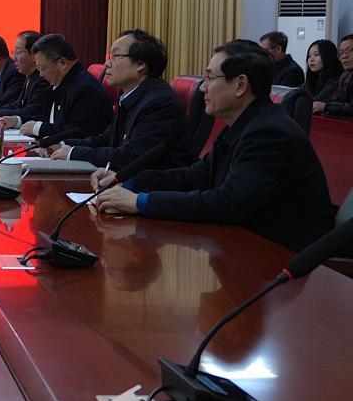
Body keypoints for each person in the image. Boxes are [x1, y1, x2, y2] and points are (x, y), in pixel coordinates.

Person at [93, 39, 335, 252]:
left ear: (240, 85)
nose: (202, 87)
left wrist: (138, 202)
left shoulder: (270, 134)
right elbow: (196, 176)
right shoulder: (242, 123)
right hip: (243, 246)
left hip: (282, 258)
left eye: (210, 78)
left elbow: (227, 203)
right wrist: (128, 182)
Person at [50, 29, 194, 170]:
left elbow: (131, 156)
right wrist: (62, 145)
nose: (107, 64)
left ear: (141, 65)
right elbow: (107, 140)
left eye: (115, 56)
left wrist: (74, 153)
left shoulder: (159, 103)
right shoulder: (130, 96)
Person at [19, 34, 113, 140]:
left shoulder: (85, 89)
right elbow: (48, 118)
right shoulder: (57, 84)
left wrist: (39, 128)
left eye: (43, 68)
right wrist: (20, 121)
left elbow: (80, 131)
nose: (41, 75)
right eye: (39, 69)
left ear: (63, 63)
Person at [0, 30, 49, 127]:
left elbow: (32, 111)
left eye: (18, 53)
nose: (14, 58)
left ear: (34, 55)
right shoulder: (29, 77)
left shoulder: (41, 79)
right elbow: (17, 105)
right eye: (14, 53)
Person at [313, 34, 353, 117]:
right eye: (341, 53)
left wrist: (325, 106)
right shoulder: (345, 75)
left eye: (350, 51)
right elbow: (336, 100)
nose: (344, 56)